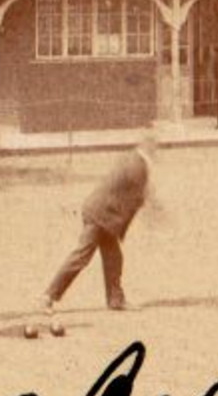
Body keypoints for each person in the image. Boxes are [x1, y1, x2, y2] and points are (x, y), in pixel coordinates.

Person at [41, 132, 157, 316]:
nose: (156, 151)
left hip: (105, 216)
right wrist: (154, 210)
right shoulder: (138, 165)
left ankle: (115, 300)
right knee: (82, 256)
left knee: (114, 257)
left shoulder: (133, 160)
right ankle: (48, 296)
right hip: (100, 215)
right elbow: (139, 196)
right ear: (147, 147)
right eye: (154, 147)